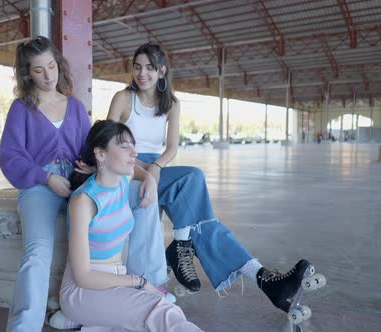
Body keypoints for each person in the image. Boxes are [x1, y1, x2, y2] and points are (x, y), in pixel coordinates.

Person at [107, 42, 314, 315]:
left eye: (150, 67)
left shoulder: (171, 103)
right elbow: (107, 141)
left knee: (194, 187)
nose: (142, 73)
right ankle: (248, 273)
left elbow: (171, 147)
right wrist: (146, 169)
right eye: (137, 67)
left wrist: (156, 167)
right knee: (192, 180)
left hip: (153, 168)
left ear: (162, 71)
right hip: (126, 168)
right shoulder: (123, 98)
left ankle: (253, 273)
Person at [0, 36, 168, 332]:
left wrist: (147, 176)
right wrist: (47, 178)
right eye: (38, 70)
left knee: (142, 202)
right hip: (39, 186)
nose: (48, 75)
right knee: (38, 250)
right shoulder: (21, 109)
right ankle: (24, 326)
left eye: (51, 66)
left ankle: (146, 288)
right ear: (27, 74)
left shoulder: (75, 107)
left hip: (81, 181)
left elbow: (93, 147)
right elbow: (10, 156)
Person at [59, 119, 204, 331]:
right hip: (83, 290)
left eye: (133, 145)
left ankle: (93, 321)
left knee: (152, 316)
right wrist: (140, 282)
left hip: (116, 280)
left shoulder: (122, 178)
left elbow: (137, 170)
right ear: (100, 154)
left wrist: (150, 179)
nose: (133, 152)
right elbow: (83, 276)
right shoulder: (84, 202)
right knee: (162, 311)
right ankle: (84, 315)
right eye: (124, 146)